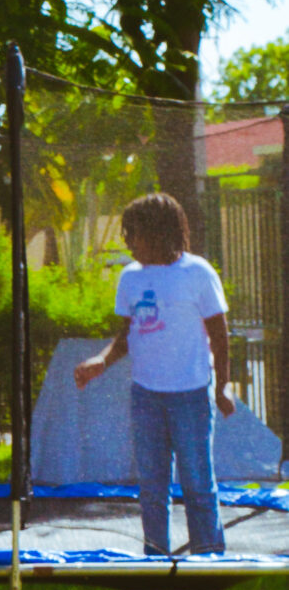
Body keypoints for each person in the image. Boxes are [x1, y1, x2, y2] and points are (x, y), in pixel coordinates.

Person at [73, 191, 233, 556]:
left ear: (160, 232)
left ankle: (209, 556)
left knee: (197, 482)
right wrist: (102, 360)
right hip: (146, 395)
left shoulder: (197, 273)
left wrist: (222, 386)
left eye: (134, 234)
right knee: (151, 485)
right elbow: (127, 334)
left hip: (191, 393)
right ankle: (156, 556)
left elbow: (220, 334)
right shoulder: (130, 278)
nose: (128, 242)